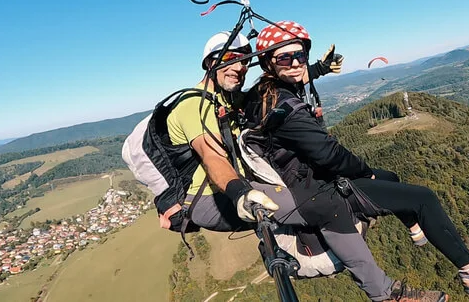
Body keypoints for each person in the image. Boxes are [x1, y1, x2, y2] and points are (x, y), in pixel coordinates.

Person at [243, 21, 469, 297]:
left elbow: (298, 77)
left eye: (299, 55)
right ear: (269, 62)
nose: (295, 62)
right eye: (284, 58)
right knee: (423, 198)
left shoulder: (264, 94)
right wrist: (365, 172)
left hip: (308, 180)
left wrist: (318, 68)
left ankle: (415, 228)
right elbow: (328, 154)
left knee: (391, 178)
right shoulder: (286, 108)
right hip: (315, 188)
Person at [165, 31, 448, 302]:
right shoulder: (194, 105)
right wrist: (240, 193)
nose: (238, 68)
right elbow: (212, 157)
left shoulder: (226, 97)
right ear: (210, 63)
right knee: (323, 201)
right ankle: (384, 294)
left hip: (232, 186)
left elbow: (266, 93)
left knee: (322, 190)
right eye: (229, 61)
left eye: (243, 61)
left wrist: (318, 69)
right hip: (211, 197)